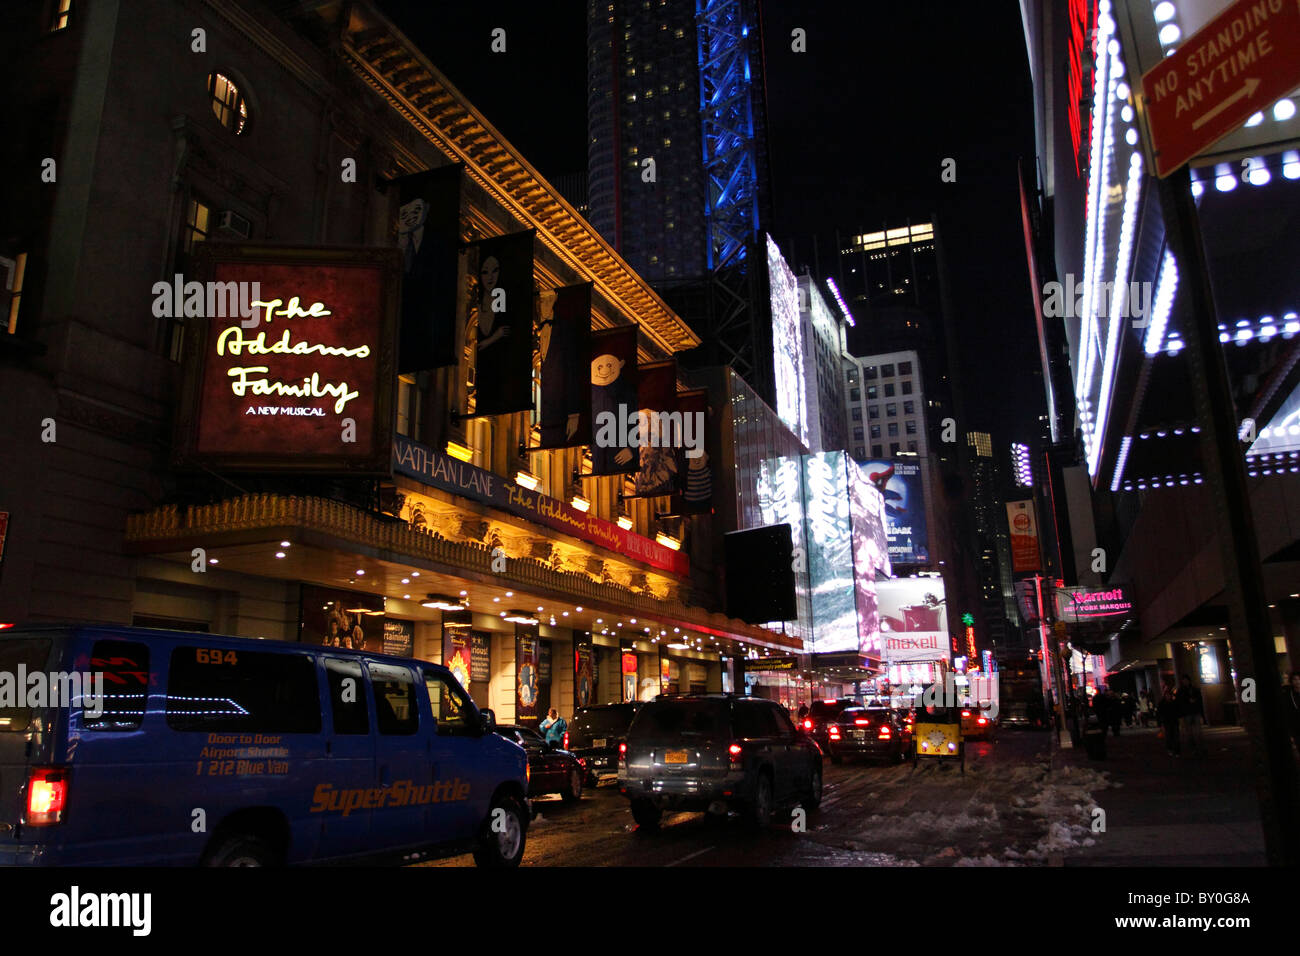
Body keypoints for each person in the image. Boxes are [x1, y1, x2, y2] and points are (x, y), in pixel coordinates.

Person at [1176, 675, 1206, 756]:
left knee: (1197, 732)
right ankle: (1194, 748)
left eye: (1186, 680)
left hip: (1194, 712)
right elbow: (1179, 703)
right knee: (1189, 733)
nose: (1185, 682)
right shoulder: (1181, 691)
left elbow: (1200, 702)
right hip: (1187, 713)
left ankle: (1199, 748)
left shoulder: (1194, 690)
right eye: (1184, 681)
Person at [1158, 677, 1181, 756]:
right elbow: (1160, 713)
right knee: (1169, 736)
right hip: (1167, 722)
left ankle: (1176, 750)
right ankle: (1170, 749)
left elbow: (1177, 711)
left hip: (1173, 721)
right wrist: (1161, 723)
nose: (1168, 696)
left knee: (1175, 736)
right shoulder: (1163, 703)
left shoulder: (1173, 703)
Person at [1283, 672, 1300, 758]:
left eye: (1298, 679)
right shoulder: (1288, 696)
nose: (1297, 682)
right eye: (1295, 679)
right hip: (1296, 727)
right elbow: (1288, 714)